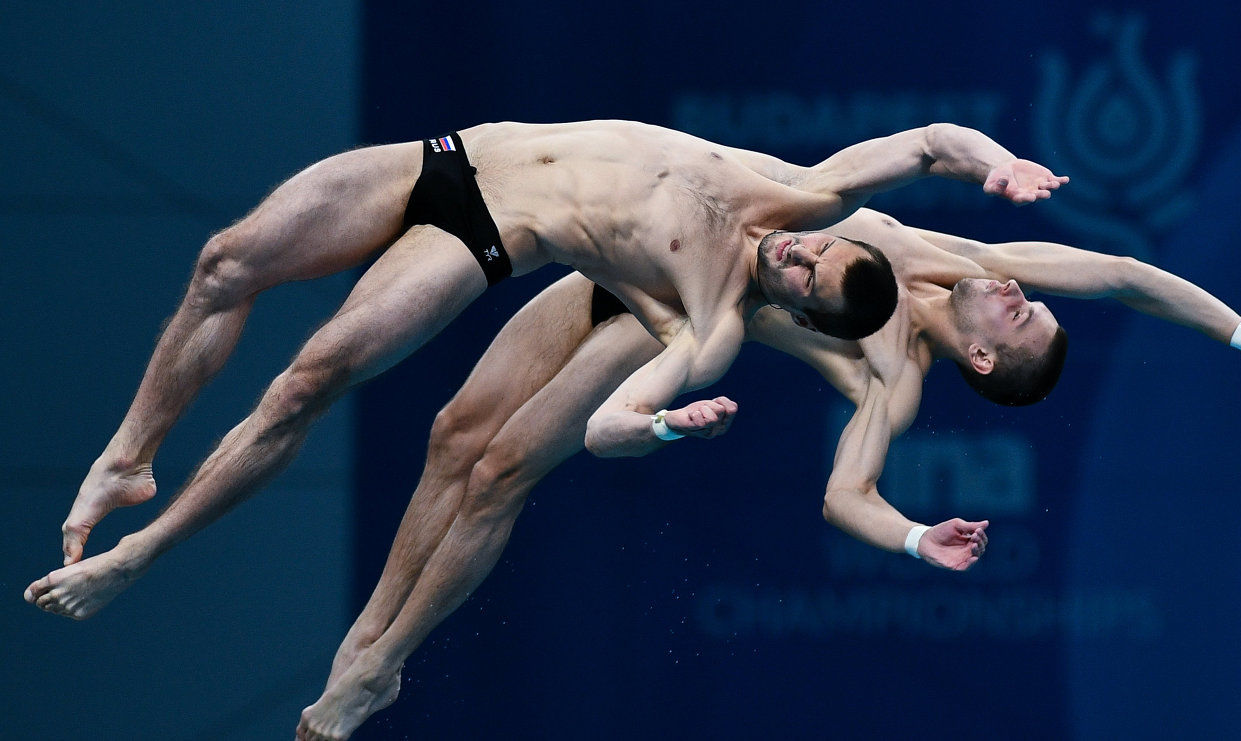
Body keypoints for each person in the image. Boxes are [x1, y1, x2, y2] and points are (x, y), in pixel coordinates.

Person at [287, 194, 1241, 738]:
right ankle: (366, 646)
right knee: (452, 437)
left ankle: (379, 665)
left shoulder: (894, 375)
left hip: (678, 329)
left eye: (1020, 315)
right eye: (1027, 297)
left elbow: (844, 495)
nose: (1017, 289)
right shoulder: (959, 257)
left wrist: (918, 536)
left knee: (504, 466)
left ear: (978, 357)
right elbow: (1128, 275)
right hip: (641, 266)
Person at [28, 120, 1064, 614]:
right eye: (816, 247)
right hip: (450, 159)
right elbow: (933, 145)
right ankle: (129, 454)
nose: (796, 253)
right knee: (224, 263)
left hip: (484, 239)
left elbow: (613, 428)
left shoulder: (713, 322)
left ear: (798, 304)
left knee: (308, 383)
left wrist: (665, 427)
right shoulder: (804, 197)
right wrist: (996, 163)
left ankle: (139, 556)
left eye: (806, 269)